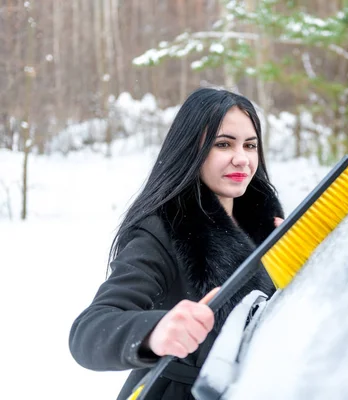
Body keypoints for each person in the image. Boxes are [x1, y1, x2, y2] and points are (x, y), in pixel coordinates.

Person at [69, 88, 284, 400]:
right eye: (223, 144)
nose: (242, 158)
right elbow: (88, 331)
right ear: (190, 150)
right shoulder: (163, 230)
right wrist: (155, 331)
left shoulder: (268, 225)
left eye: (250, 145)